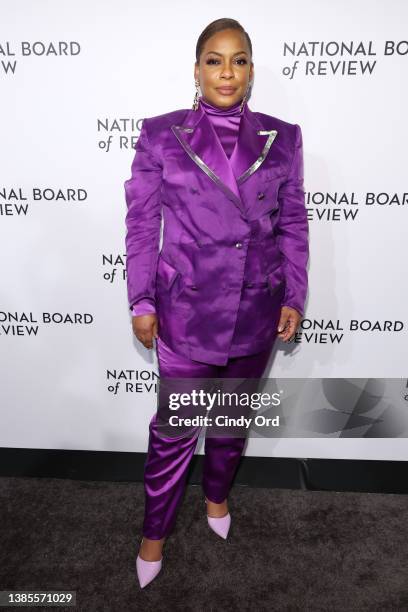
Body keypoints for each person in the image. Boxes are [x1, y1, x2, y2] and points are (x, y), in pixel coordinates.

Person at [124, 18, 309, 588]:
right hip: (187, 308)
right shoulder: (161, 134)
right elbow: (141, 222)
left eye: (239, 59)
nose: (227, 71)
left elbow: (294, 222)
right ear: (197, 68)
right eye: (214, 59)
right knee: (177, 429)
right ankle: (154, 533)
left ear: (252, 69)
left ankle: (217, 500)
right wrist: (141, 297)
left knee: (230, 423)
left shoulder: (284, 135)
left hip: (257, 303)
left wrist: (295, 292)